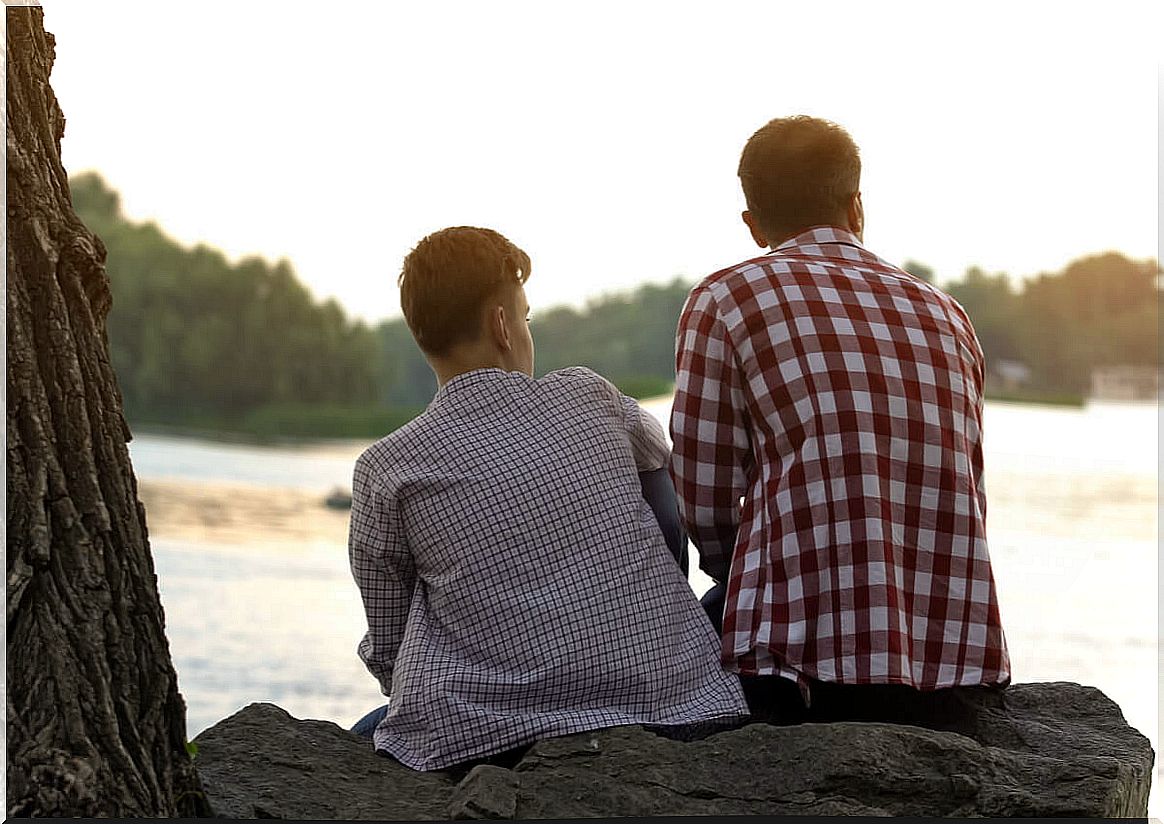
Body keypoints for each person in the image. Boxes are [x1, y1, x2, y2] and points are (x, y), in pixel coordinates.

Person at [348, 226, 748, 771]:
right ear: (501, 326)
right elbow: (664, 483)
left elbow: (392, 650)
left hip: (486, 734)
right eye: (526, 317)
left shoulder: (386, 468)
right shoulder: (589, 394)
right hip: (676, 701)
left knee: (363, 737)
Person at [670, 116, 1010, 728]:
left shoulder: (726, 299)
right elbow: (972, 489)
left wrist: (733, 572)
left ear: (754, 225)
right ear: (857, 207)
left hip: (798, 662)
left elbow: (705, 494)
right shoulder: (947, 314)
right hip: (951, 658)